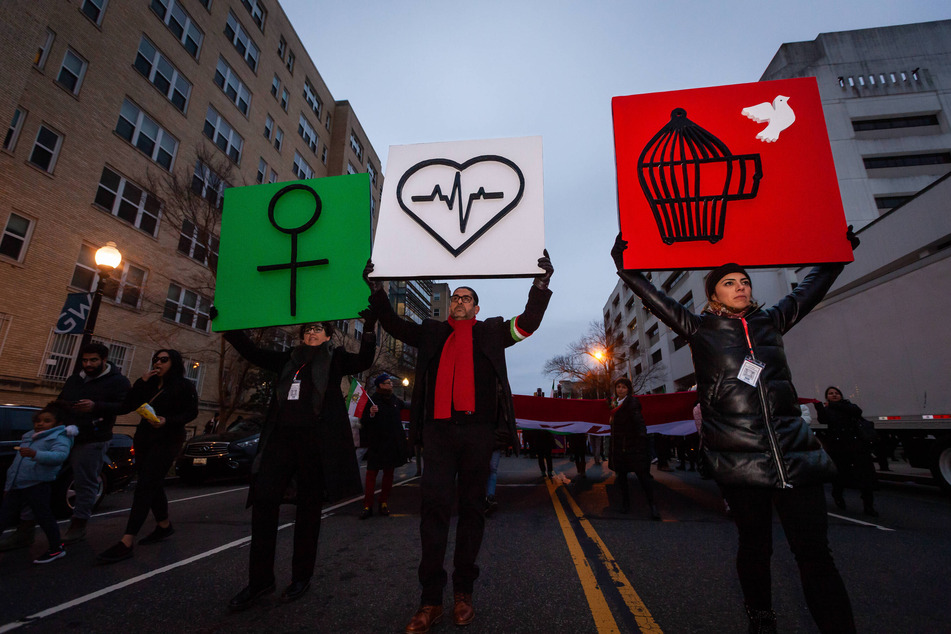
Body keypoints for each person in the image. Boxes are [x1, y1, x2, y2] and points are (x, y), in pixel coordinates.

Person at [612, 230, 858, 634]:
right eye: (730, 283)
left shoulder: (772, 320)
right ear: (714, 296)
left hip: (795, 456)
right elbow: (656, 298)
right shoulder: (698, 328)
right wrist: (626, 269)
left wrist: (837, 254)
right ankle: (762, 623)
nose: (741, 287)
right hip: (741, 461)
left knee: (815, 554)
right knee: (755, 550)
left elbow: (813, 286)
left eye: (745, 281)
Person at [365, 252, 553, 633]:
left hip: (478, 431)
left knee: (472, 510)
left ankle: (463, 591)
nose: (460, 302)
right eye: (456, 298)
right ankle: (430, 600)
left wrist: (540, 284)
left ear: (477, 307)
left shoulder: (491, 332)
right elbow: (396, 326)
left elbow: (528, 324)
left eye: (467, 298)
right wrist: (378, 290)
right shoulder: (433, 332)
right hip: (437, 432)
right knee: (433, 509)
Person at [222, 315, 375, 610]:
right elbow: (252, 353)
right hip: (280, 442)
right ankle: (260, 581)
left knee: (308, 510)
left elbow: (366, 359)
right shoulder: (288, 359)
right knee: (264, 503)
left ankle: (301, 576)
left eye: (318, 329)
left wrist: (368, 327)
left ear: (329, 336)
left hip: (314, 445)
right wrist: (228, 326)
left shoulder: (336, 359)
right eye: (307, 329)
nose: (311, 332)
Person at [97, 349, 199, 564]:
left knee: (145, 486)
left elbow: (191, 413)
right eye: (156, 359)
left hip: (168, 440)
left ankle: (127, 541)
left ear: (174, 363)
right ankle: (164, 526)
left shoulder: (184, 385)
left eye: (164, 359)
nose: (158, 363)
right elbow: (128, 405)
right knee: (152, 483)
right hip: (144, 439)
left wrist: (167, 420)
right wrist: (140, 382)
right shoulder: (149, 384)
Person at [57, 342, 131, 544]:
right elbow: (60, 400)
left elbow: (125, 406)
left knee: (85, 481)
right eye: (85, 360)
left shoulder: (118, 381)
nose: (88, 364)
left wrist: (95, 406)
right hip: (65, 435)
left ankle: (78, 523)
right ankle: (26, 526)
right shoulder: (75, 379)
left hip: (93, 438)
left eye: (93, 360)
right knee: (38, 475)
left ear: (104, 360)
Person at [0, 403, 74, 564]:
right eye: (38, 421)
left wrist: (36, 454)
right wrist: (9, 485)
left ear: (58, 423)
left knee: (44, 517)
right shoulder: (29, 436)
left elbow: (59, 456)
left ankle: (56, 548)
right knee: (4, 515)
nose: (40, 424)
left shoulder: (60, 437)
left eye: (47, 421)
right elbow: (17, 464)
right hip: (18, 484)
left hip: (38, 484)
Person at [815, 386, 878, 516]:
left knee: (865, 476)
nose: (834, 395)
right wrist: (819, 407)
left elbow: (858, 412)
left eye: (836, 393)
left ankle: (868, 505)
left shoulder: (849, 407)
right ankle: (837, 494)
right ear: (827, 397)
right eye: (831, 393)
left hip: (857, 446)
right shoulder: (827, 410)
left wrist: (836, 405)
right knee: (840, 475)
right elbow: (823, 420)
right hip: (839, 448)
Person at [608, 378, 660, 519]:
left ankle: (652, 506)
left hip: (633, 446)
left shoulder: (632, 403)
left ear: (628, 389)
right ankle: (626, 504)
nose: (620, 389)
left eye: (624, 387)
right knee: (622, 478)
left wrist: (642, 440)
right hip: (619, 447)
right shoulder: (613, 404)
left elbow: (639, 422)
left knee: (643, 478)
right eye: (618, 387)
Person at [359, 373, 408, 519]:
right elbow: (365, 421)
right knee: (371, 475)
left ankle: (383, 502)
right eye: (388, 383)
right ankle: (367, 505)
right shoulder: (372, 401)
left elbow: (406, 407)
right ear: (381, 385)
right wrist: (371, 414)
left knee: (388, 475)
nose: (391, 385)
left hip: (391, 445)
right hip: (377, 444)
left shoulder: (394, 400)